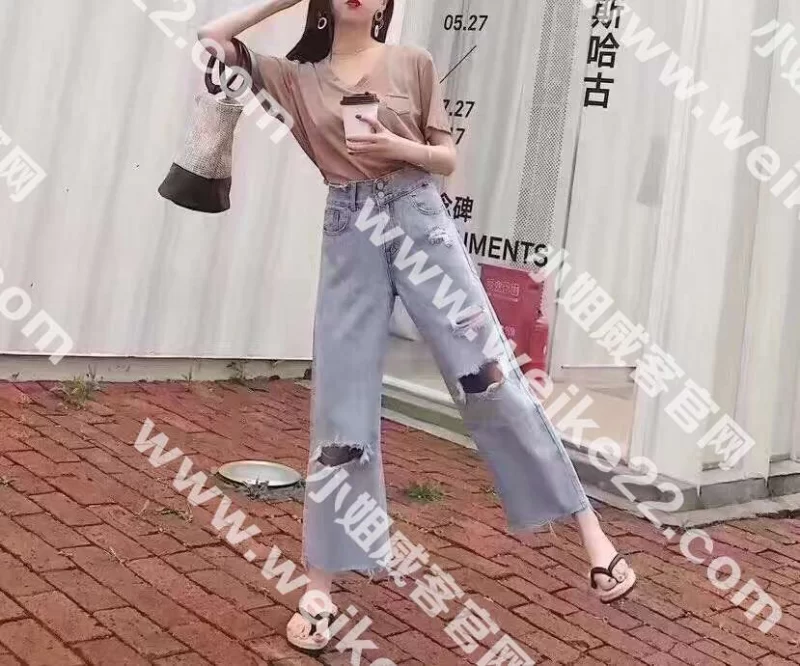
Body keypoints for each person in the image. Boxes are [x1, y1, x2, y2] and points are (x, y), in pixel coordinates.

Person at [198, 0, 636, 652]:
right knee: (340, 401)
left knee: (487, 376)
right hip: (349, 229)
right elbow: (213, 37)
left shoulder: (413, 62)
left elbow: (445, 158)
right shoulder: (296, 76)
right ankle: (319, 588)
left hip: (419, 218)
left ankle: (590, 533)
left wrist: (395, 147)